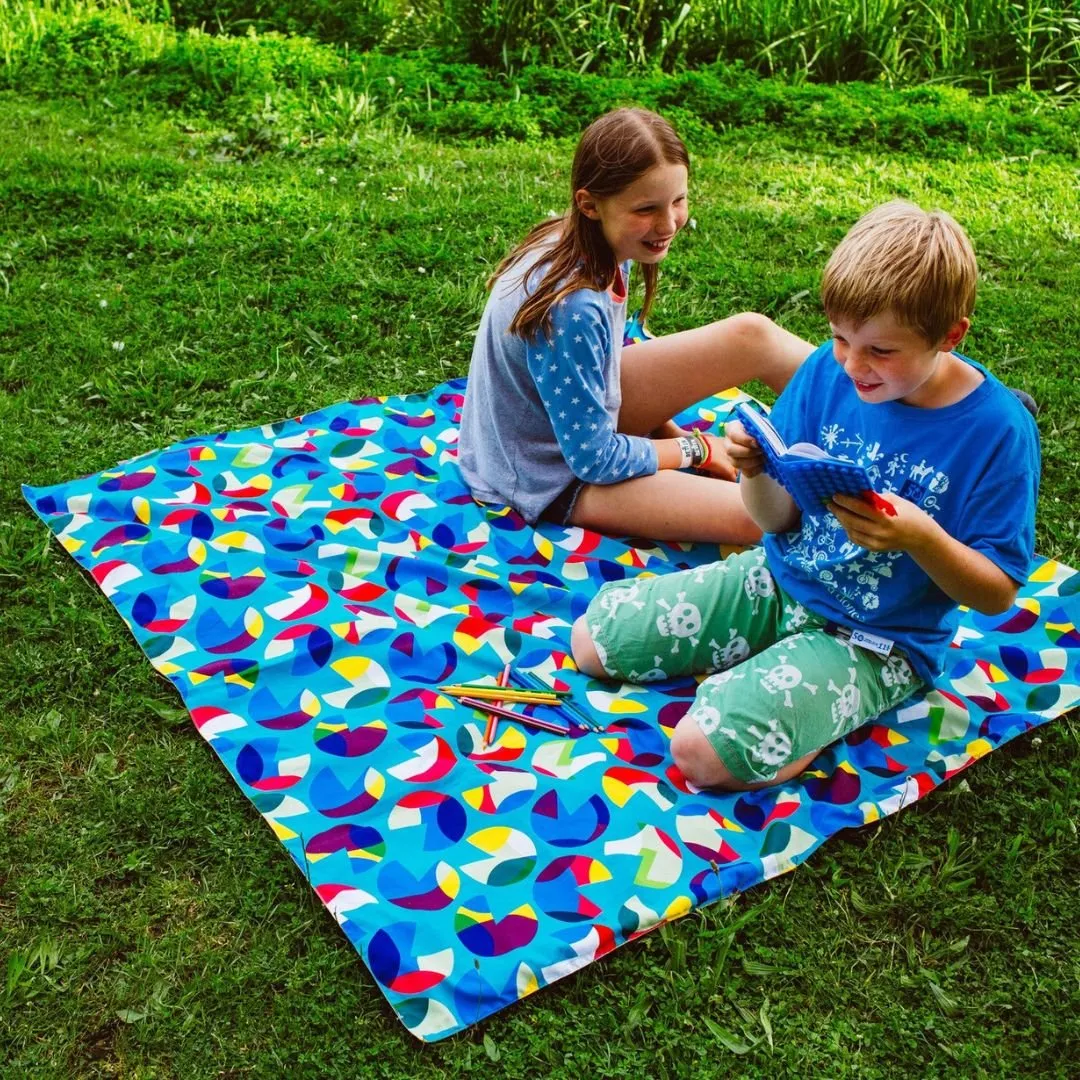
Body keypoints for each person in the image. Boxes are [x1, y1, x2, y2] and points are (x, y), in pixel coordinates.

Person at [571, 200, 1041, 791]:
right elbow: (774, 521)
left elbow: (997, 592)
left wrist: (920, 537)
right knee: (594, 642)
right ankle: (770, 677)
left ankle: (805, 720)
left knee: (700, 754)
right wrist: (755, 471)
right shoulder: (827, 370)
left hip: (877, 640)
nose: (852, 365)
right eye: (841, 338)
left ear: (950, 336)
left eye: (880, 351)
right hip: (778, 581)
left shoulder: (996, 433)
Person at [457, 107, 814, 544]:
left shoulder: (595, 240)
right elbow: (594, 460)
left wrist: (672, 436)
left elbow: (602, 371)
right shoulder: (572, 305)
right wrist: (697, 450)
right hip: (549, 474)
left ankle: (883, 418)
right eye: (646, 209)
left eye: (678, 201)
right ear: (589, 204)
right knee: (764, 515)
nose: (668, 224)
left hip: (581, 430)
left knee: (753, 335)